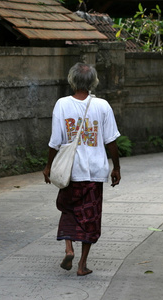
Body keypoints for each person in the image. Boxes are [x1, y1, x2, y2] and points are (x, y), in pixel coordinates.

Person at [42, 62, 121, 276]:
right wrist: (116, 168)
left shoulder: (62, 104)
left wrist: (49, 166)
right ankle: (82, 265)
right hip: (95, 173)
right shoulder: (103, 106)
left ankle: (69, 249)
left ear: (72, 80)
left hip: (70, 172)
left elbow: (55, 142)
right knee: (90, 217)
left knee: (68, 209)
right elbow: (111, 141)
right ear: (93, 82)